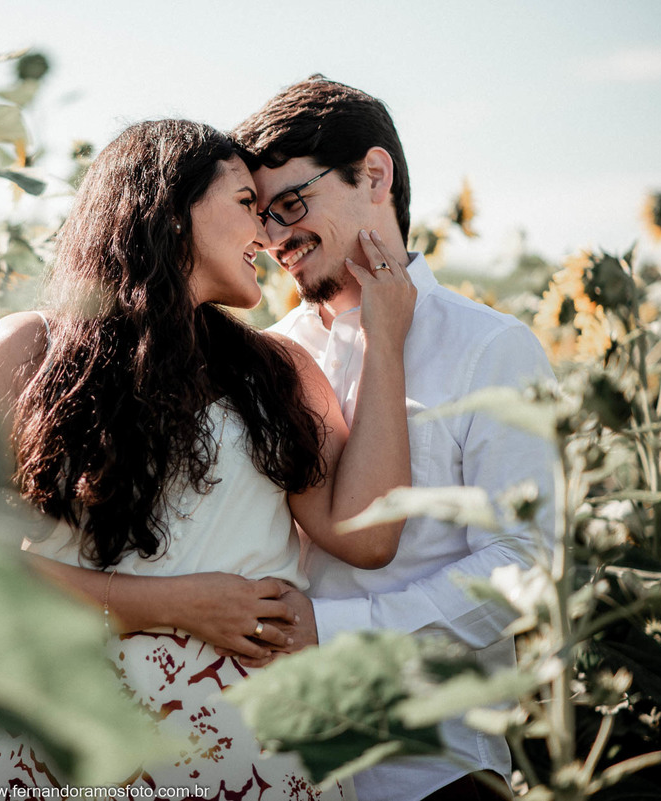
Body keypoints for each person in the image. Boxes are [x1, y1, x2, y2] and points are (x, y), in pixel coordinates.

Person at [0, 118, 416, 800]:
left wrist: (385, 342)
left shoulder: (277, 372)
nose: (269, 234)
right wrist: (173, 604)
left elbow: (369, 536)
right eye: (246, 205)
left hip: (250, 765)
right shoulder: (28, 351)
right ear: (168, 211)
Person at [226, 77, 557, 801]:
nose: (277, 237)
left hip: (431, 767)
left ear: (374, 174)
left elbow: (524, 563)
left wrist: (337, 627)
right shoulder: (271, 357)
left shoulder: (493, 348)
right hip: (281, 768)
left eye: (292, 203)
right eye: (261, 215)